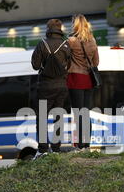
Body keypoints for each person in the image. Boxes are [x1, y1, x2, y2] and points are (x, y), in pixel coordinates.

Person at [31, 19, 71, 160]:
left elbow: (35, 66)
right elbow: (69, 65)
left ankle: (43, 149)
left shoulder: (42, 44)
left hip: (45, 86)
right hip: (61, 86)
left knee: (42, 118)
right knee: (58, 117)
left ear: (48, 29)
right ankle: (56, 148)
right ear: (60, 29)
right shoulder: (66, 45)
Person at [67, 14, 99, 150]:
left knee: (78, 113)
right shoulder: (92, 40)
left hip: (75, 79)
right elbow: (96, 62)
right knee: (86, 113)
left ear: (75, 25)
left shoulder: (70, 41)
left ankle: (80, 145)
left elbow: (65, 60)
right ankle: (87, 144)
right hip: (88, 80)